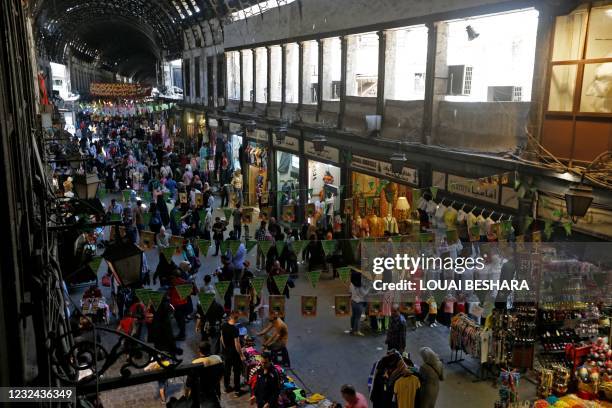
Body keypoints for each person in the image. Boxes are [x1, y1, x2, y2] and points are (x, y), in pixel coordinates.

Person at [185, 342, 224, 407]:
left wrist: (186, 396)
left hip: (201, 393)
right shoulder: (218, 358)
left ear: (199, 350)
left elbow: (188, 383)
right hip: (215, 389)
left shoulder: (195, 362)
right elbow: (222, 373)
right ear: (209, 349)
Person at [220, 311, 245, 396]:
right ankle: (237, 391)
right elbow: (237, 344)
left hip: (226, 352)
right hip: (234, 354)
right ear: (236, 318)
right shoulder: (235, 329)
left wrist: (226, 348)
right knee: (236, 371)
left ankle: (226, 388)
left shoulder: (223, 325)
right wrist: (241, 355)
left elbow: (222, 338)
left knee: (227, 370)